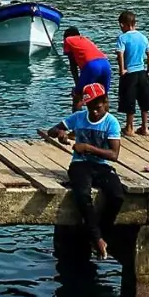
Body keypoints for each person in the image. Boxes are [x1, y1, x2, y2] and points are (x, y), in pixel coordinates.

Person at [38, 81, 124, 260]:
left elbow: (114, 154)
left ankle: (100, 234)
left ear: (106, 103)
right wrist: (60, 133)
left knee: (117, 196)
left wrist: (88, 147)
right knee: (83, 195)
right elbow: (52, 130)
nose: (94, 112)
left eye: (98, 108)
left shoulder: (111, 123)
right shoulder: (78, 117)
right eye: (91, 108)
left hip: (102, 165)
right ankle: (97, 238)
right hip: (80, 164)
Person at [116, 10, 149, 136]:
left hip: (130, 73)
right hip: (142, 73)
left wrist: (122, 70)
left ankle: (129, 128)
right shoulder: (143, 37)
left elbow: (120, 54)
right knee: (144, 100)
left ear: (122, 25)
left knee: (129, 100)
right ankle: (145, 127)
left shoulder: (123, 38)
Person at [62, 27, 112, 110]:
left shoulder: (68, 40)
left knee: (77, 96)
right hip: (106, 64)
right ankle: (106, 120)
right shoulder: (85, 39)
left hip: (92, 66)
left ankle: (76, 121)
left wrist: (78, 87)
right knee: (103, 96)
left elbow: (73, 66)